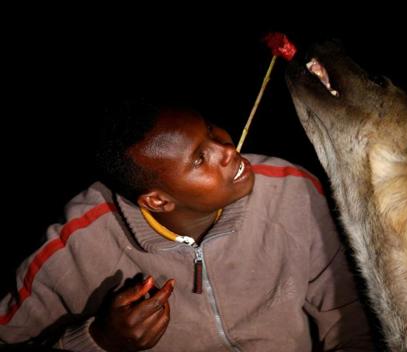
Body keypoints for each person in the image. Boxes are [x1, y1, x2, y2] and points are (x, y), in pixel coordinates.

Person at [0, 100, 375, 351]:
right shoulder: (75, 246)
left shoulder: (290, 188)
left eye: (211, 132)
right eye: (200, 159)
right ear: (158, 201)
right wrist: (99, 340)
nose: (227, 151)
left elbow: (346, 311)